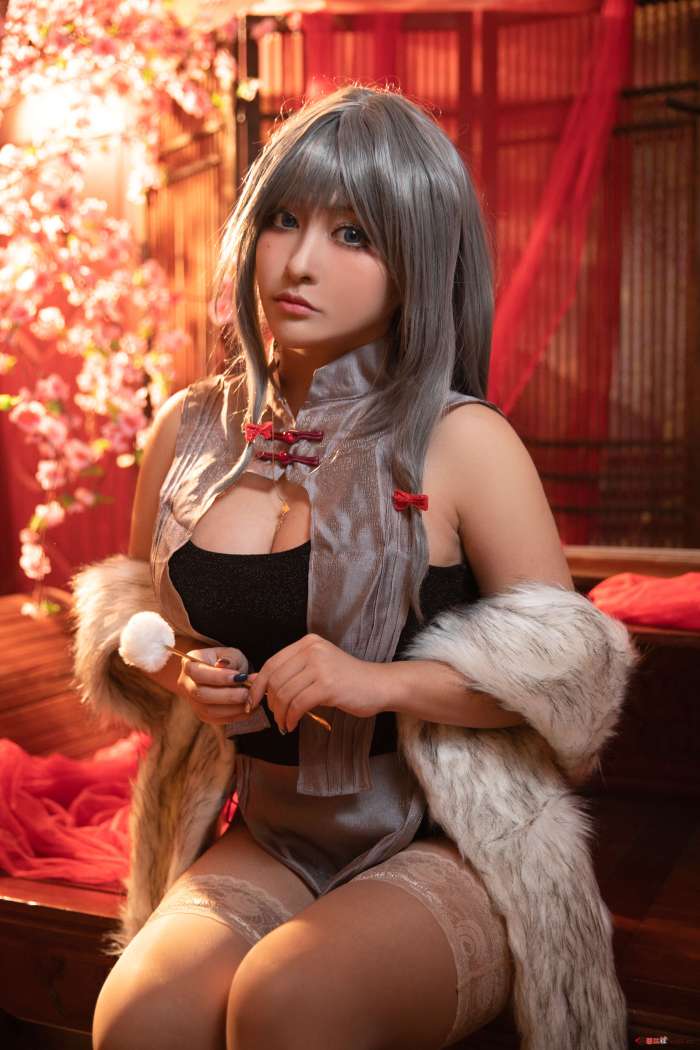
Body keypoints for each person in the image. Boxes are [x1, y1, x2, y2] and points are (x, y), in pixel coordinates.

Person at [74, 84, 637, 1050]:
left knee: (291, 1004)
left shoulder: (465, 441)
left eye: (353, 235)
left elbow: (570, 681)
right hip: (270, 831)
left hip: (453, 841)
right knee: (138, 1020)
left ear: (417, 262)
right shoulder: (189, 430)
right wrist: (185, 674)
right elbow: (138, 622)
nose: (299, 261)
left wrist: (377, 682)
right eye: (283, 220)